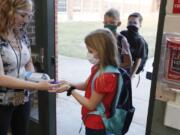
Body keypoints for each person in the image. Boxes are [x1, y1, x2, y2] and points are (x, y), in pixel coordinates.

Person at [0, 0, 58, 135]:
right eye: (23, 15)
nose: (26, 20)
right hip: (2, 102)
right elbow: (1, 78)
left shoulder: (22, 36)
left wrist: (33, 77)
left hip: (22, 96)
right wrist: (37, 86)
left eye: (29, 16)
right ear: (8, 11)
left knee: (21, 131)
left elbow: (29, 63)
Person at [50, 28, 120, 135]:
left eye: (91, 51)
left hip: (98, 125)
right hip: (91, 120)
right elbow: (87, 85)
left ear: (102, 51)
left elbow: (90, 105)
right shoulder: (99, 68)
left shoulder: (106, 77)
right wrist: (69, 83)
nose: (88, 54)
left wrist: (70, 89)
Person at [103, 8, 132, 73]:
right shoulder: (103, 38)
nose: (108, 25)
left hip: (118, 74)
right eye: (106, 23)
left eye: (112, 23)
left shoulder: (122, 40)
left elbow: (128, 63)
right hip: (105, 72)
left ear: (118, 24)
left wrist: (112, 66)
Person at [121, 12, 147, 79]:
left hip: (130, 70)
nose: (132, 24)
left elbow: (138, 60)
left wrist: (131, 76)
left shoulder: (140, 41)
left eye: (135, 23)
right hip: (120, 67)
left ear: (140, 25)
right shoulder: (122, 34)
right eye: (130, 22)